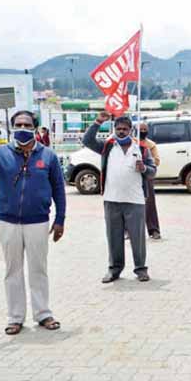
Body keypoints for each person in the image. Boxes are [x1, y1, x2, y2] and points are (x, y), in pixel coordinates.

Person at [0, 111, 65, 335]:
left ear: (35, 127)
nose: (22, 127)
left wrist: (60, 219)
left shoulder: (48, 156)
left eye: (26, 124)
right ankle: (15, 317)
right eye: (17, 124)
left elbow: (59, 189)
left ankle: (43, 313)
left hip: (38, 222)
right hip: (8, 221)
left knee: (39, 269)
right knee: (12, 270)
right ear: (11, 127)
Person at [83, 112, 157, 283]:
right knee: (114, 236)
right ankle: (114, 269)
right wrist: (97, 122)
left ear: (131, 130)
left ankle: (140, 269)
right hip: (112, 199)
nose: (121, 132)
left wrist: (144, 168)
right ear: (114, 129)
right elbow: (87, 141)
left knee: (137, 238)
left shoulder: (142, 148)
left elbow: (153, 171)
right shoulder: (107, 146)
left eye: (125, 129)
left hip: (135, 200)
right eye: (118, 129)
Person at [138, 122, 162, 240]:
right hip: (133, 178)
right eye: (140, 129)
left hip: (147, 177)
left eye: (144, 129)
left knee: (150, 205)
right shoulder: (132, 143)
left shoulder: (150, 145)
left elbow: (156, 161)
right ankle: (127, 231)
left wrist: (145, 164)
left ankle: (154, 230)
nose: (142, 131)